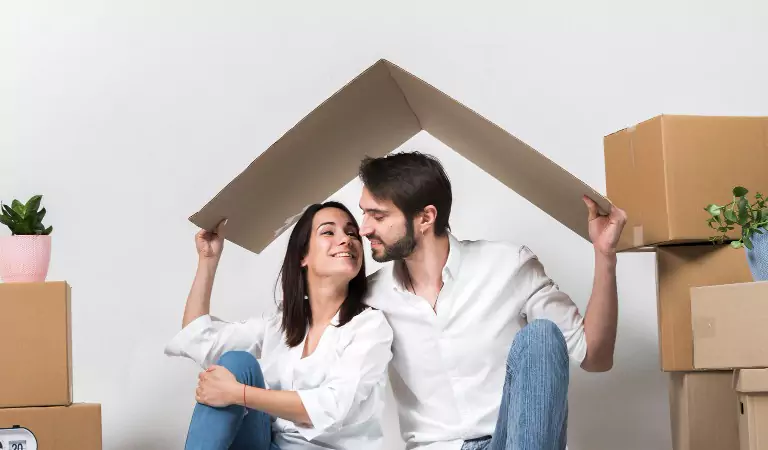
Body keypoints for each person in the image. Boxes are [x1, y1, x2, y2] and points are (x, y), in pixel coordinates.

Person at [356, 152, 627, 450]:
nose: (365, 228)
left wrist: (604, 254)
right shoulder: (371, 298)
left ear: (425, 218)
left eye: (378, 216)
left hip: (514, 441)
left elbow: (595, 357)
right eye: (365, 214)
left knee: (542, 337)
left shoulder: (508, 264)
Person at [164, 201, 394, 450]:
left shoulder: (369, 327)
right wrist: (208, 259)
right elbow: (198, 337)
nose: (347, 240)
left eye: (351, 233)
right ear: (303, 256)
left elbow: (334, 406)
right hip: (271, 445)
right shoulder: (280, 326)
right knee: (237, 362)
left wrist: (238, 394)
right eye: (329, 232)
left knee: (235, 375)